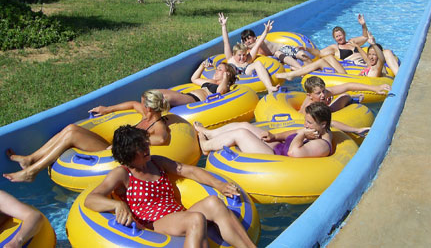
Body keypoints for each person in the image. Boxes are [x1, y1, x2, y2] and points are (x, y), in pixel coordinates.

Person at [84, 125, 256, 248]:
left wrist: (219, 184)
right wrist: (117, 204)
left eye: (145, 143)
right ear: (128, 154)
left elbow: (189, 171)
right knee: (195, 219)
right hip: (154, 224)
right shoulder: (122, 174)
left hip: (179, 215)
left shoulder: (157, 162)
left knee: (214, 202)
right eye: (140, 147)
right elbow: (91, 199)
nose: (147, 148)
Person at [4, 90, 170, 183]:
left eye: (143, 103)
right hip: (110, 146)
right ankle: (30, 159)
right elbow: (132, 104)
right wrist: (108, 109)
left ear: (149, 108)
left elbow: (163, 139)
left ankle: (32, 172)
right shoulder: (145, 114)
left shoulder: (158, 126)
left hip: (114, 153)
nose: (139, 105)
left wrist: (131, 142)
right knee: (71, 128)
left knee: (71, 136)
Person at [194, 102, 336, 157]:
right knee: (244, 125)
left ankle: (206, 146)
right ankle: (210, 133)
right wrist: (274, 136)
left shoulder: (321, 145)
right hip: (278, 147)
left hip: (275, 158)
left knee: (241, 134)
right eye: (306, 121)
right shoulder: (318, 129)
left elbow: (294, 153)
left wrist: (302, 134)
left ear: (323, 124)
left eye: (309, 123)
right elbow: (295, 131)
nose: (306, 125)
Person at [276, 31, 390, 80]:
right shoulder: (370, 64)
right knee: (327, 58)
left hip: (350, 80)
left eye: (374, 55)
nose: (371, 57)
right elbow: (320, 53)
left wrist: (373, 44)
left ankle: (294, 73)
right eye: (370, 54)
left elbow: (380, 57)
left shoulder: (377, 68)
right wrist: (306, 49)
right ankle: (298, 70)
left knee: (320, 63)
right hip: (348, 76)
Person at [219, 12, 279, 94]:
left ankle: (269, 87)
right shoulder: (230, 59)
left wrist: (266, 31)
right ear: (234, 54)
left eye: (244, 55)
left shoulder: (248, 58)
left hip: (246, 71)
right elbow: (226, 42)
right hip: (233, 78)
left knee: (257, 63)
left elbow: (258, 44)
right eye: (239, 55)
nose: (242, 58)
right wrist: (223, 26)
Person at [157, 61, 237, 106]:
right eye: (216, 69)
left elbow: (220, 92)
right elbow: (194, 79)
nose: (216, 71)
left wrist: (226, 78)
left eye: (219, 69)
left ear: (227, 73)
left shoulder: (225, 86)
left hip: (194, 99)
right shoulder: (211, 81)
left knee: (166, 98)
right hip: (186, 95)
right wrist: (202, 66)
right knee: (157, 93)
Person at [300, 76, 391, 114]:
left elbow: (348, 86)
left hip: (322, 107)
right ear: (309, 95)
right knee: (330, 110)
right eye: (318, 93)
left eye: (323, 91)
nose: (323, 95)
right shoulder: (309, 107)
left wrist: (375, 88)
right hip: (318, 113)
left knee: (345, 95)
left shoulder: (324, 94)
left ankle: (351, 99)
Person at [240, 28, 313, 70]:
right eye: (245, 40)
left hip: (283, 48)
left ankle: (302, 68)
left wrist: (245, 46)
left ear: (254, 37)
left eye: (249, 39)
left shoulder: (258, 40)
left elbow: (256, 44)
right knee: (277, 53)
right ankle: (300, 69)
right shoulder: (250, 50)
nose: (248, 42)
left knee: (302, 55)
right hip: (275, 54)